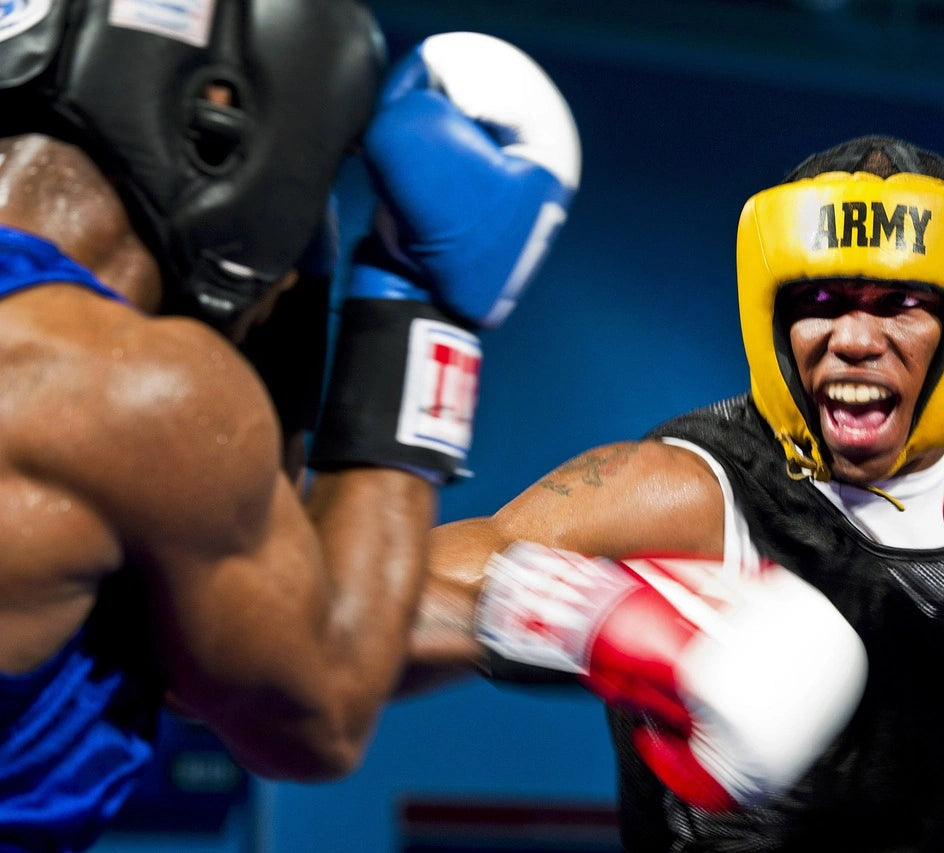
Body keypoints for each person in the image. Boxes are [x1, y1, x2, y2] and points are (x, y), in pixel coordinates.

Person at [400, 135, 944, 851]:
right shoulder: (691, 487)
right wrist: (595, 617)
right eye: (822, 301)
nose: (854, 340)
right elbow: (373, 617)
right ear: (775, 318)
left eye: (902, 304)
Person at [0, 0, 580, 849]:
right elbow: (316, 714)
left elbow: (198, 659)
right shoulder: (123, 387)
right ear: (219, 120)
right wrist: (424, 310)